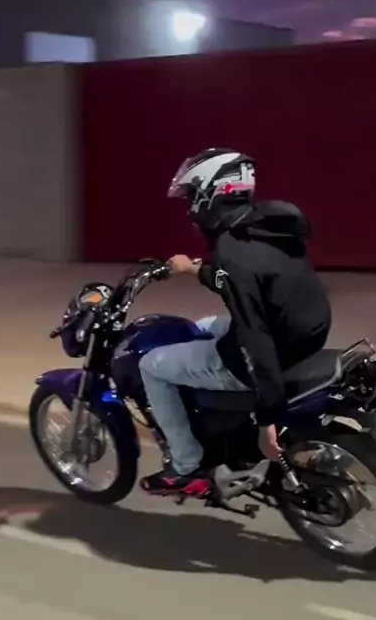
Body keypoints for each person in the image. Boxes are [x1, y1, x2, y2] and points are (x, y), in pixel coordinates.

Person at [139, 147, 332, 494]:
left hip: (271, 348)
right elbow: (241, 282)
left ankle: (186, 466)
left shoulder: (233, 253)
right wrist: (193, 270)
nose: (190, 206)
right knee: (205, 325)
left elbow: (256, 340)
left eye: (193, 195)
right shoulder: (266, 224)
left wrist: (267, 419)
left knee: (152, 364)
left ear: (212, 193)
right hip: (305, 332)